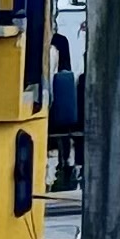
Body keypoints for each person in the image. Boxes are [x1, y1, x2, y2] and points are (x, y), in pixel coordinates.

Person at [46, 32, 81, 189]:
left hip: (53, 106)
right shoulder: (58, 43)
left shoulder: (56, 44)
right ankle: (66, 161)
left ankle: (65, 161)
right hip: (58, 106)